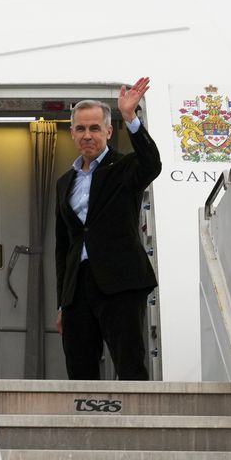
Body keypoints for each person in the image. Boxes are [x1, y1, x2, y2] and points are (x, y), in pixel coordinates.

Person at [54, 77, 162, 380]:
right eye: (80, 129)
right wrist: (62, 302)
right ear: (72, 132)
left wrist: (131, 117)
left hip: (120, 284)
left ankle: (136, 414)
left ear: (108, 131)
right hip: (78, 289)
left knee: (129, 365)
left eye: (94, 128)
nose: (87, 135)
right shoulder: (64, 182)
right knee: (79, 369)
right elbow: (63, 246)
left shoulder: (125, 167)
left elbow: (152, 164)